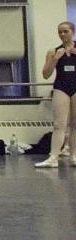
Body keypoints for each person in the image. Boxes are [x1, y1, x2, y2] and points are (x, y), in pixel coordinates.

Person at [35, 21, 76, 167]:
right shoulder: (53, 51)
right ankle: (53, 157)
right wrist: (55, 59)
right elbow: (46, 74)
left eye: (66, 31)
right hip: (61, 87)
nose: (63, 34)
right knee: (59, 124)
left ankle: (73, 155)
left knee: (75, 124)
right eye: (60, 32)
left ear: (72, 32)